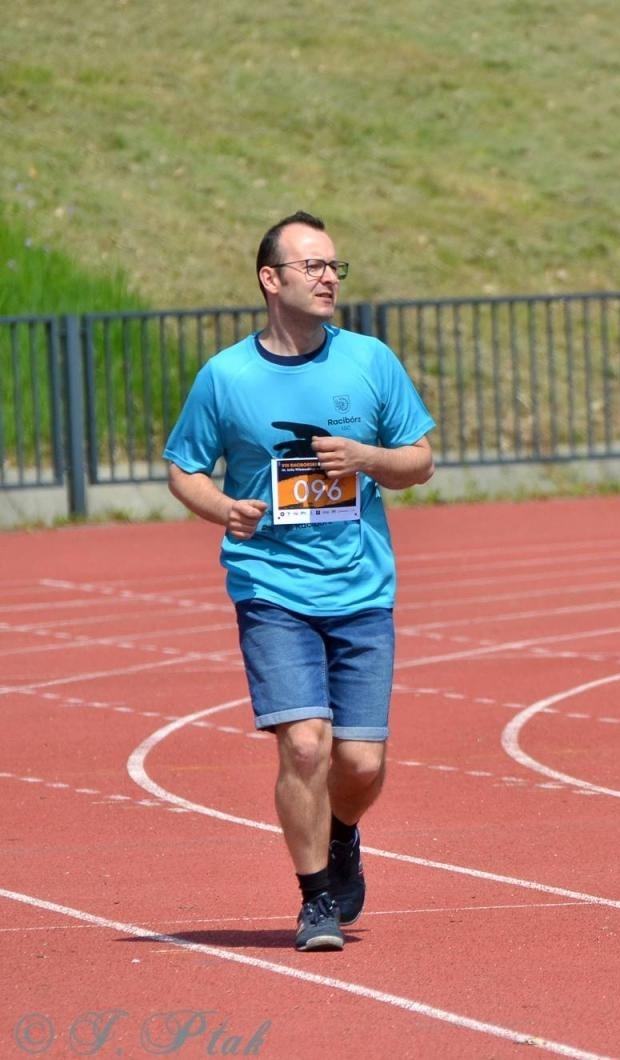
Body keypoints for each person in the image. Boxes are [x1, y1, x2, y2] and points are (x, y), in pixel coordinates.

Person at [163, 211, 436, 951]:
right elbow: (183, 466)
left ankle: (343, 832)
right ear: (270, 279)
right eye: (312, 266)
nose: (327, 279)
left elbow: (419, 459)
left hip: (360, 589)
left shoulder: (371, 362)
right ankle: (316, 897)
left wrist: (367, 459)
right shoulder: (226, 377)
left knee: (359, 761)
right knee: (305, 747)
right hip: (271, 586)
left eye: (333, 268)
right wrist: (224, 508)